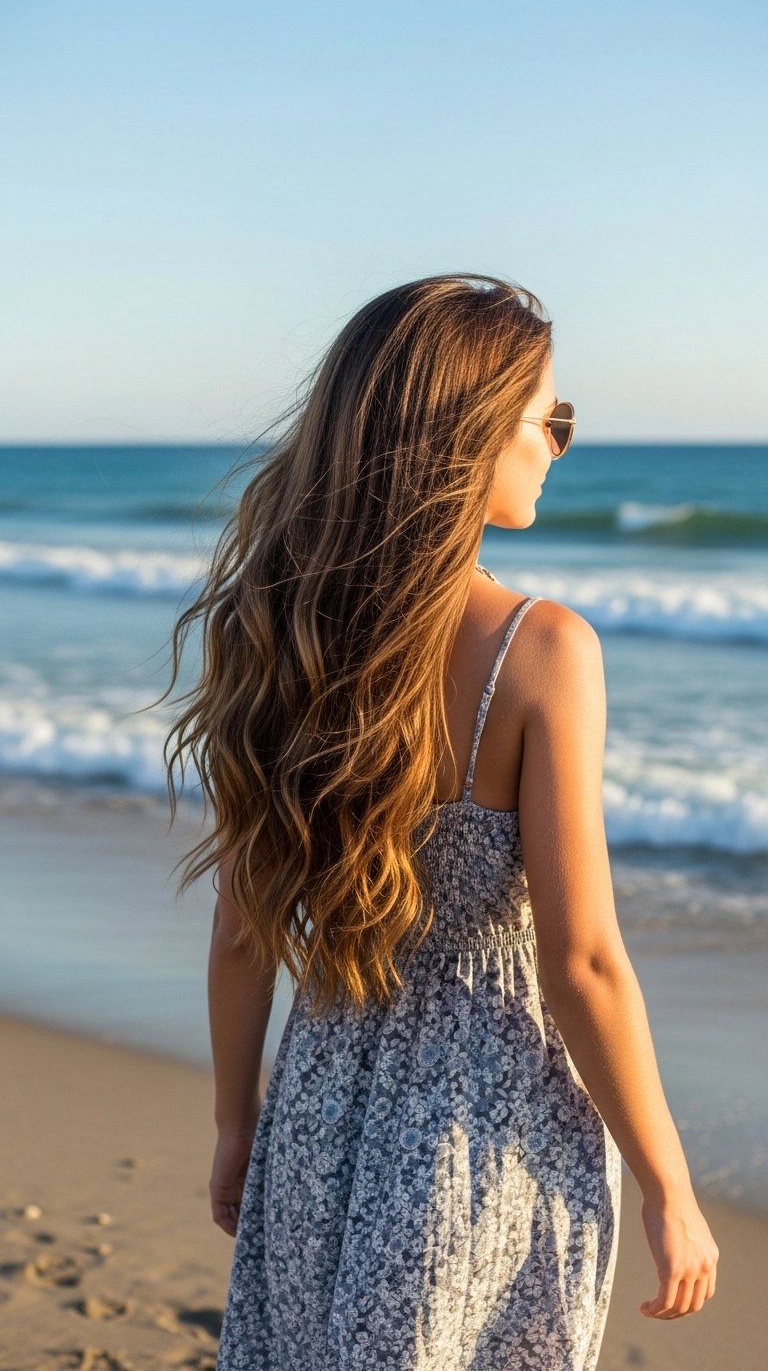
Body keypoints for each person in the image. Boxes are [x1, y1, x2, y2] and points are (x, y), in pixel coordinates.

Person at [166, 275, 718, 1370]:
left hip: (322, 1099)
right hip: (483, 1127)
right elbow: (583, 961)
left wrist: (239, 1125)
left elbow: (241, 931)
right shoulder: (541, 651)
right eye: (548, 418)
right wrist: (670, 1184)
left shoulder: (280, 636)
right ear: (470, 435)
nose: (560, 445)